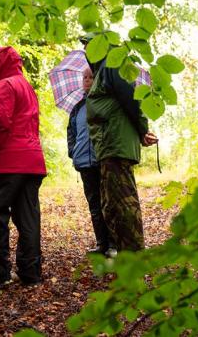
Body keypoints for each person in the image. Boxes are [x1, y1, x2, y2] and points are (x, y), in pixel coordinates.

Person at [84, 36, 158, 253]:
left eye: (88, 45)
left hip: (117, 145)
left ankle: (134, 256)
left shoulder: (111, 65)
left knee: (123, 202)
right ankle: (126, 253)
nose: (86, 50)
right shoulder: (102, 70)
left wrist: (142, 129)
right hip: (109, 146)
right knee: (111, 204)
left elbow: (130, 98)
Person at [0, 46, 46, 286]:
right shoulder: (26, 86)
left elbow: (0, 121)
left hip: (8, 160)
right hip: (32, 160)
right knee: (28, 217)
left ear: (0, 65)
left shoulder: (6, 85)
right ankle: (31, 273)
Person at [67, 66, 112, 256]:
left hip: (103, 160)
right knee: (94, 205)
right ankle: (102, 244)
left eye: (91, 77)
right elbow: (71, 132)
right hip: (84, 162)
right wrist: (73, 151)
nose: (87, 80)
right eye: (84, 77)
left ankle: (113, 245)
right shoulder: (77, 107)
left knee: (108, 203)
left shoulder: (104, 103)